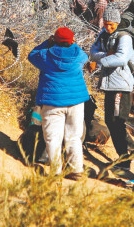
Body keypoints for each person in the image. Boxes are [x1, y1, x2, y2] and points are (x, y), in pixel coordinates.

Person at [28, 27, 89, 179]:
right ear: (72, 41)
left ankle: (56, 171)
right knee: (74, 136)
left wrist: (47, 43)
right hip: (76, 102)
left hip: (52, 101)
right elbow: (85, 56)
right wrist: (72, 43)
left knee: (53, 137)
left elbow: (31, 55)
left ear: (55, 40)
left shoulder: (45, 55)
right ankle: (76, 170)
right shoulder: (79, 55)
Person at [89, 6, 134, 171]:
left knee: (117, 122)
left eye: (111, 25)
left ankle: (124, 160)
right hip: (109, 83)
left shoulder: (124, 37)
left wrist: (100, 61)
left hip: (121, 84)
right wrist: (106, 55)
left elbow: (120, 58)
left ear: (118, 22)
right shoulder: (104, 34)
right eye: (106, 24)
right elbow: (93, 51)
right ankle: (132, 151)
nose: (108, 27)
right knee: (110, 121)